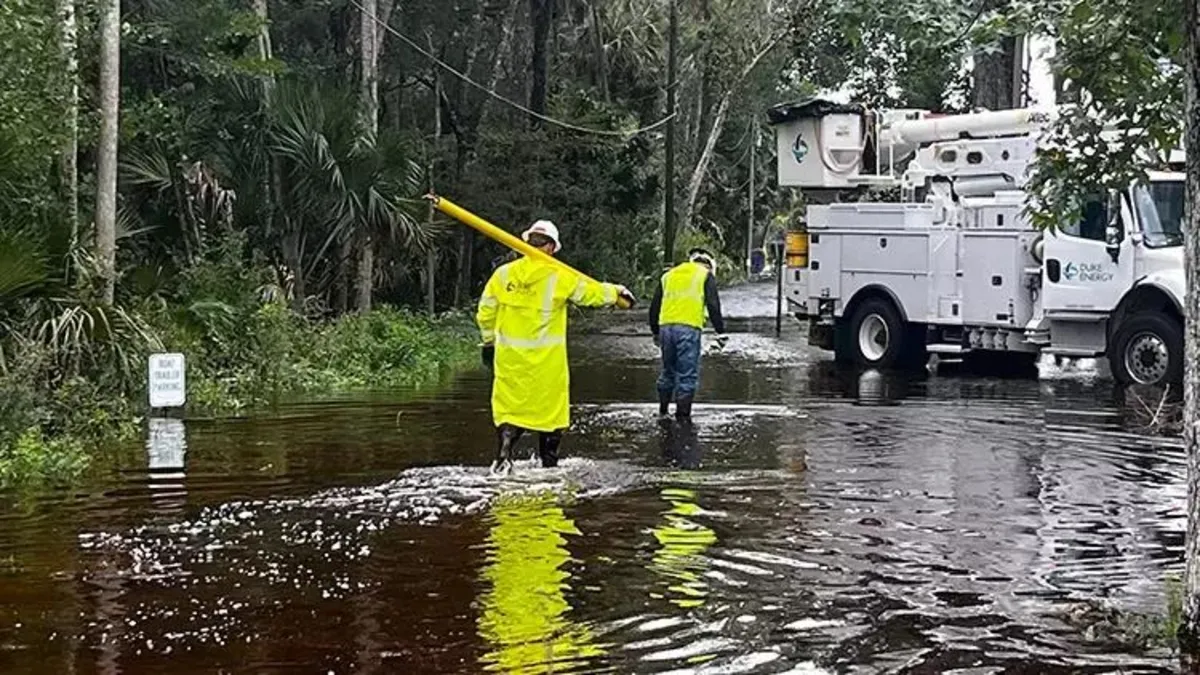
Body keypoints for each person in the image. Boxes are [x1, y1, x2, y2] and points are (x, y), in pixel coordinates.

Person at [477, 220, 633, 472]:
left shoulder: (503, 275)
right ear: (550, 247)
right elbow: (590, 294)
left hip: (510, 360)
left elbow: (485, 311)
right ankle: (549, 468)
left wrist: (488, 342)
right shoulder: (560, 276)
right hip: (546, 364)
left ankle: (504, 456)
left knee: (509, 410)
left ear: (527, 242)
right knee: (550, 417)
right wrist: (617, 293)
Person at [648, 247, 726, 422]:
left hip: (666, 328)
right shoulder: (706, 275)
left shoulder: (669, 275)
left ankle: (663, 411)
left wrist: (655, 331)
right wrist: (720, 332)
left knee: (668, 371)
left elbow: (654, 307)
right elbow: (713, 305)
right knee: (687, 375)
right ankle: (682, 418)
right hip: (689, 329)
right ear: (709, 266)